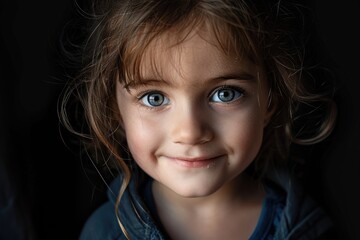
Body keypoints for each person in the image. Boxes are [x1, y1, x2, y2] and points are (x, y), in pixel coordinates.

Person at [59, 0, 338, 239]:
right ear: (115, 109)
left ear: (270, 102)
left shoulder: (307, 229)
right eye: (154, 98)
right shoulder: (105, 232)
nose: (191, 132)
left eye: (225, 94)